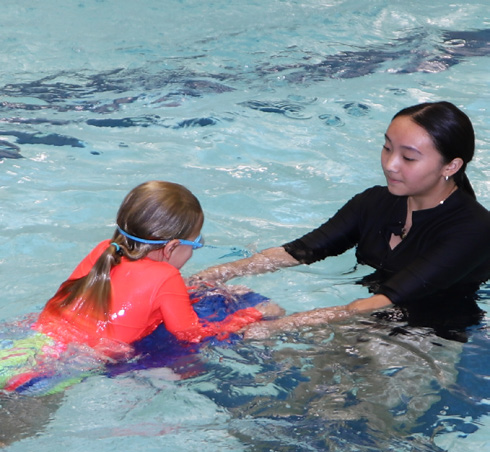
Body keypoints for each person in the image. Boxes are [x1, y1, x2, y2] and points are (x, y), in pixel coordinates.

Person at [193, 101, 490, 338]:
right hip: (365, 315)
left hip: (433, 331)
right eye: (387, 147)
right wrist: (213, 276)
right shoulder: (376, 201)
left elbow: (381, 301)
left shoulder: (472, 229)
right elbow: (301, 250)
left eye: (408, 158)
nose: (390, 164)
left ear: (451, 165)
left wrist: (281, 326)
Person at [31, 180, 268, 359]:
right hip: (79, 360)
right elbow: (190, 334)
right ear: (173, 246)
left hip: (40, 339)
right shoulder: (166, 277)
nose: (194, 251)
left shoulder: (105, 249)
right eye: (196, 244)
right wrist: (249, 316)